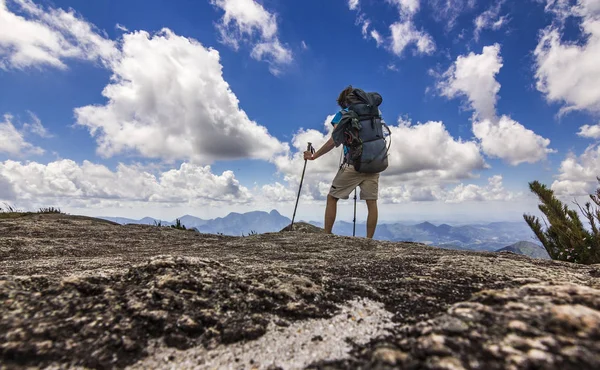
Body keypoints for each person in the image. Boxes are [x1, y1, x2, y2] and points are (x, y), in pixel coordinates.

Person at [303, 86, 385, 239]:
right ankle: (369, 241)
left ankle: (327, 236)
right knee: (371, 202)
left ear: (343, 102)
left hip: (353, 166)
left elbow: (334, 141)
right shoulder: (374, 113)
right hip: (374, 164)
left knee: (332, 197)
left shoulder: (342, 114)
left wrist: (314, 156)